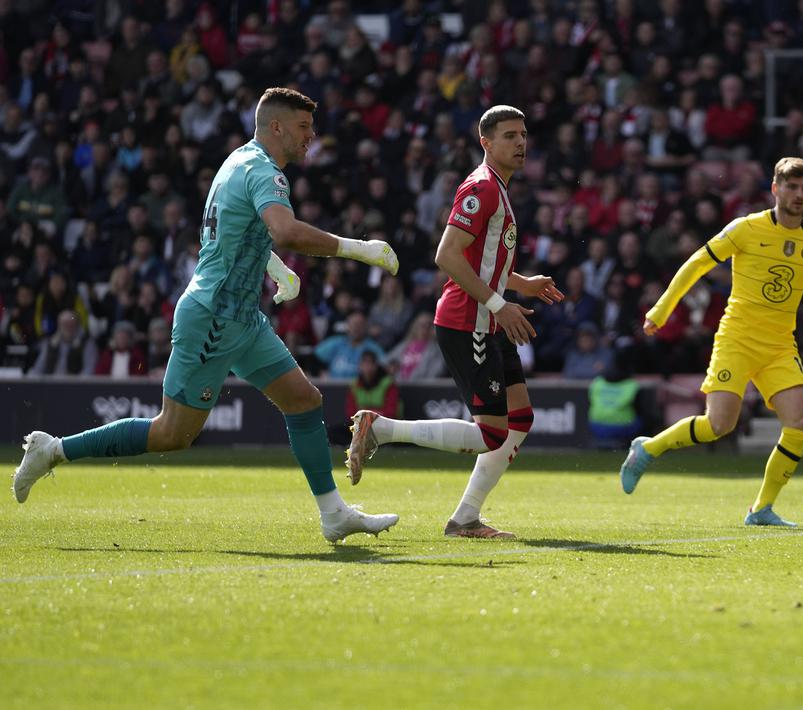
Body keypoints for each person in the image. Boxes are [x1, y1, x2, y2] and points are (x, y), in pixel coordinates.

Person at [13, 88, 402, 543]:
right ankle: (53, 449)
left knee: (303, 400)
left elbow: (234, 231)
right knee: (172, 434)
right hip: (214, 317)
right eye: (303, 127)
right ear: (276, 126)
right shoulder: (266, 173)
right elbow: (285, 230)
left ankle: (333, 514)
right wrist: (361, 249)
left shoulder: (237, 160)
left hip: (242, 318)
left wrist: (274, 269)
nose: (311, 136)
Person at [345, 105, 563, 539]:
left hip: (489, 318)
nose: (520, 143)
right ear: (486, 143)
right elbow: (446, 256)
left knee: (519, 421)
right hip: (470, 321)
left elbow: (481, 261)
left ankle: (465, 518)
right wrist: (500, 304)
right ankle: (382, 428)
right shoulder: (481, 188)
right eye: (509, 136)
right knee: (491, 434)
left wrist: (521, 284)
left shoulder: (498, 189)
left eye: (522, 134)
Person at [618, 157, 803, 527]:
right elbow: (697, 263)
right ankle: (648, 447)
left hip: (780, 346)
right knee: (719, 424)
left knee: (799, 420)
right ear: (776, 189)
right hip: (737, 339)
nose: (799, 195)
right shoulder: (746, 228)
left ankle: (760, 509)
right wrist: (662, 309)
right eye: (791, 187)